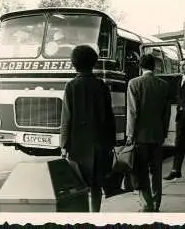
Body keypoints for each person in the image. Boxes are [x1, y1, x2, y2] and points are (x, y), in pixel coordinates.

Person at [60, 45, 116, 212]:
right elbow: (109, 117)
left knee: (79, 186)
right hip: (99, 145)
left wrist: (64, 144)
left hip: (77, 146)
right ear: (94, 63)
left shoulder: (71, 87)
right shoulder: (102, 85)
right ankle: (95, 216)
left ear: (73, 63)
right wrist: (111, 143)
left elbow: (66, 118)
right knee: (96, 186)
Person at [126, 54, 171, 212]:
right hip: (157, 134)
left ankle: (146, 204)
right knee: (156, 171)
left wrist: (130, 135)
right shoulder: (164, 85)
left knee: (141, 170)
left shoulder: (134, 84)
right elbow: (167, 114)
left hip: (140, 136)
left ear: (140, 66)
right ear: (154, 67)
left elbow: (132, 112)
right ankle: (156, 202)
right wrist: (164, 131)